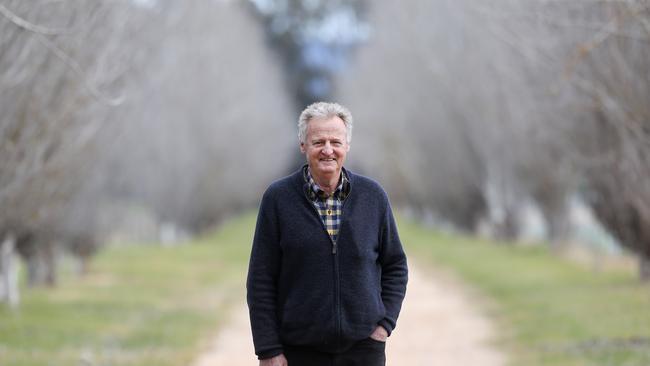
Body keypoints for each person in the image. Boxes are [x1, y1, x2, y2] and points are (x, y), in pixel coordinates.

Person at [246, 102, 408, 366]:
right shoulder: (278, 199)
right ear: (303, 146)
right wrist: (268, 349)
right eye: (318, 141)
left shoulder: (373, 196)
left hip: (363, 351)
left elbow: (395, 264)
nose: (328, 150)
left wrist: (384, 324)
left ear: (347, 145)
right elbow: (260, 280)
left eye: (336, 141)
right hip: (299, 353)